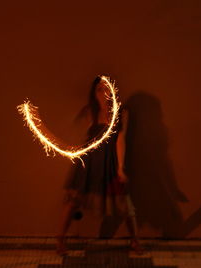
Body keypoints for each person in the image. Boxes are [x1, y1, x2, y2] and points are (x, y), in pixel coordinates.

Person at [56, 75, 144, 255]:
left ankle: (134, 240)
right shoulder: (90, 112)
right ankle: (60, 240)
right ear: (94, 93)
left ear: (112, 91)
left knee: (125, 204)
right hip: (90, 162)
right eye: (99, 89)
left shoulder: (121, 113)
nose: (103, 92)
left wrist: (120, 167)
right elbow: (83, 136)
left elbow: (121, 140)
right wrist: (75, 151)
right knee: (73, 201)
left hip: (110, 162)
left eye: (106, 88)